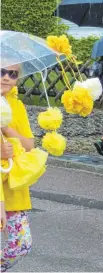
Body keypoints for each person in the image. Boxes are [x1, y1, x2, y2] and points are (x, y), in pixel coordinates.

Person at [0, 64, 33, 271]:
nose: (6, 77)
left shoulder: (17, 107)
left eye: (12, 74)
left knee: (21, 244)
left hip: (13, 189)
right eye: (1, 71)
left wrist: (5, 127)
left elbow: (29, 145)